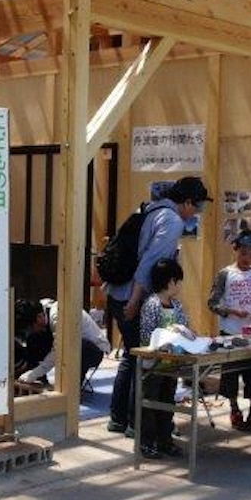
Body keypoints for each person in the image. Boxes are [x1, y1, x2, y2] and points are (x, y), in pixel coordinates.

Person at [105, 176, 210, 436]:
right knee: (145, 361)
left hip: (117, 291)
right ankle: (137, 425)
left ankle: (119, 419)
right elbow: (150, 263)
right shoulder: (172, 220)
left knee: (131, 356)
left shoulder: (149, 208)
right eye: (198, 207)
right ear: (186, 202)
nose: (197, 212)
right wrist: (134, 300)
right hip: (134, 296)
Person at [207, 228, 251, 434]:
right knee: (230, 374)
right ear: (236, 250)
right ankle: (234, 410)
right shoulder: (226, 274)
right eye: (243, 253)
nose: (247, 259)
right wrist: (231, 310)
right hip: (230, 331)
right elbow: (213, 302)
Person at [137, 258, 189, 460]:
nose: (179, 286)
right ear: (169, 282)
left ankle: (165, 441)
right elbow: (147, 335)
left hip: (171, 365)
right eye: (178, 281)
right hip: (153, 364)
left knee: (167, 403)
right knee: (150, 403)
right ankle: (147, 443)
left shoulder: (176, 305)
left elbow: (184, 325)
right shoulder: (152, 305)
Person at [15, 298, 110, 392]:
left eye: (30, 327)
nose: (29, 330)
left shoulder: (59, 315)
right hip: (71, 343)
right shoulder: (40, 309)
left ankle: (72, 391)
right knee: (34, 338)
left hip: (94, 350)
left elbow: (58, 351)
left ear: (39, 317)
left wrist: (34, 373)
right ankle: (39, 381)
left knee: (75, 345)